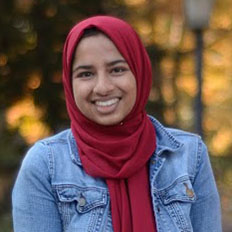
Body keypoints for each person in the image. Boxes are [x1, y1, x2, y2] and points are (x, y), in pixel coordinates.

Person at [12, 16, 222, 232]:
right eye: (86, 74)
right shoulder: (46, 165)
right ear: (69, 82)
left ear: (139, 73)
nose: (102, 87)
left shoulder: (189, 154)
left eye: (117, 70)